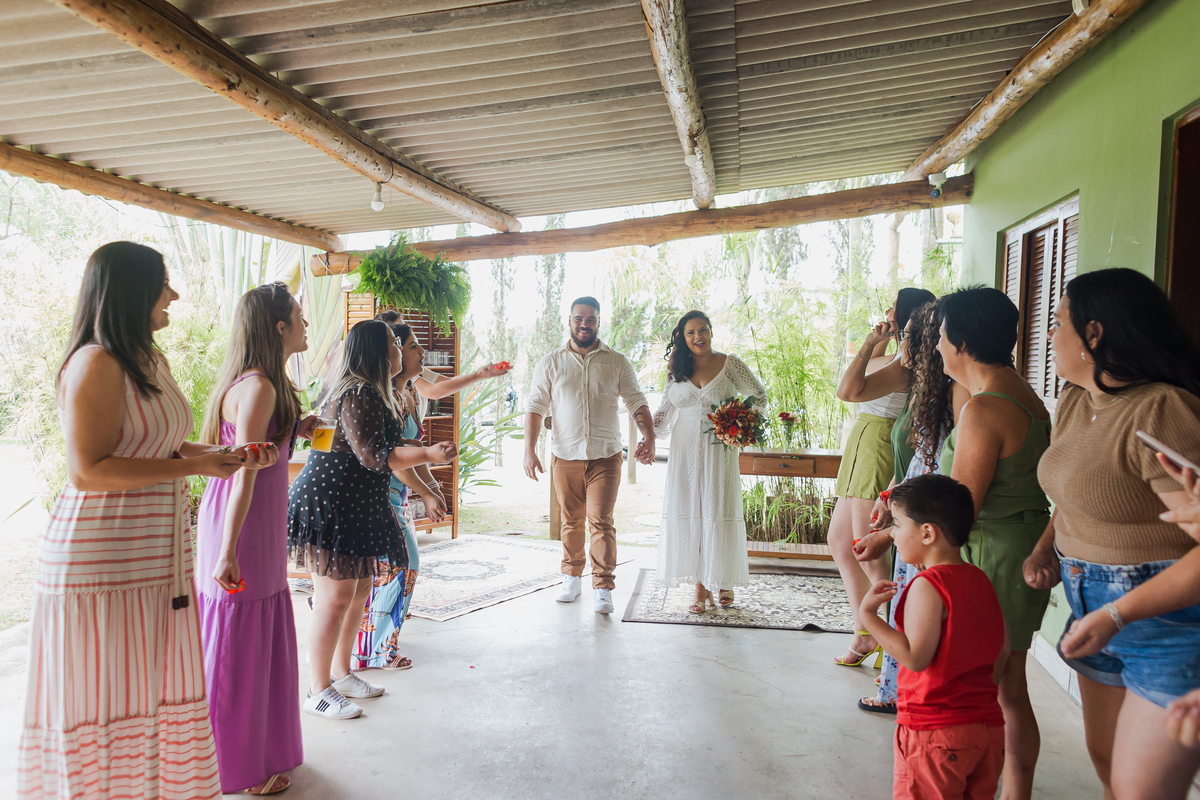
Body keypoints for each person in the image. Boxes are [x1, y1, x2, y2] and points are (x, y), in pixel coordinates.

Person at [18, 242, 263, 799]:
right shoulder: (96, 362)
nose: (173, 295)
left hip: (153, 560)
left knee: (151, 699)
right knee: (104, 703)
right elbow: (87, 470)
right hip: (99, 564)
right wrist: (199, 465)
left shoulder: (148, 360)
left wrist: (224, 457)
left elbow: (161, 444)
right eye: (163, 283)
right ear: (132, 290)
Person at [1021, 268, 1200, 799]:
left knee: (1139, 788)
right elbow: (1075, 495)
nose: (1049, 336)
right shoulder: (1077, 400)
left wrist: (1119, 611)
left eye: (1057, 323)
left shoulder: (1162, 412)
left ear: (1093, 334)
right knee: (1108, 766)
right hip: (1089, 603)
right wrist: (1046, 546)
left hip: (1162, 615)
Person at [288, 320, 455, 720]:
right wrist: (428, 455)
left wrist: (420, 455)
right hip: (332, 504)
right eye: (395, 343)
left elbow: (336, 441)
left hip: (355, 502)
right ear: (380, 353)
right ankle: (317, 689)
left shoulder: (372, 392)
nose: (401, 348)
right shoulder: (358, 391)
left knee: (360, 588)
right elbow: (375, 456)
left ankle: (342, 673)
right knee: (334, 598)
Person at [195, 282, 312, 795]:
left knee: (247, 640)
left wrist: (300, 429)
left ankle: (248, 754)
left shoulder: (263, 384)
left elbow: (263, 452)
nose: (306, 324)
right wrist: (227, 551)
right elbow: (243, 470)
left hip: (252, 521)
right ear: (280, 327)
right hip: (240, 526)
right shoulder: (260, 386)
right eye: (299, 317)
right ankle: (239, 768)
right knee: (240, 646)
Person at [937, 286, 1052, 800]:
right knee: (1011, 688)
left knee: (976, 693)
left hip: (991, 558)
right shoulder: (1025, 394)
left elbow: (960, 508)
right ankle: (1015, 792)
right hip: (1022, 548)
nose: (936, 345)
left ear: (961, 342)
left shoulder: (984, 409)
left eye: (940, 336)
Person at [854, 298, 970, 713]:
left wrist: (893, 526)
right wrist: (891, 498)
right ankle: (897, 692)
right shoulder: (930, 387)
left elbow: (944, 467)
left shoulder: (957, 394)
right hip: (911, 509)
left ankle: (907, 695)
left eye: (917, 338)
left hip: (925, 520)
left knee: (919, 614)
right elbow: (922, 458)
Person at [860, 474, 1008, 800]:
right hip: (987, 730)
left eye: (897, 525)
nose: (893, 535)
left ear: (927, 533)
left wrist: (869, 617)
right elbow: (1003, 649)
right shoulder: (979, 579)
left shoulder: (929, 585)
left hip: (934, 733)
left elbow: (915, 656)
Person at [524, 296, 654, 614]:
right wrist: (528, 450)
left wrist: (649, 435)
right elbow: (535, 407)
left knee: (601, 521)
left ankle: (603, 587)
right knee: (571, 521)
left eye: (591, 319)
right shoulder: (551, 362)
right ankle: (571, 577)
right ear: (569, 321)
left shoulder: (617, 361)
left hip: (605, 456)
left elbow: (636, 399)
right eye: (579, 318)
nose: (585, 324)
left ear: (598, 322)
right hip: (565, 456)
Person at [830, 287, 935, 667]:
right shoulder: (894, 353)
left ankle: (891, 648)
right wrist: (876, 339)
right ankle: (865, 632)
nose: (887, 310)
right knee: (840, 542)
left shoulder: (908, 363)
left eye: (895, 306)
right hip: (861, 439)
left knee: (869, 553)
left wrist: (877, 342)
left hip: (877, 442)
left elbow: (847, 389)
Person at [651, 310, 768, 611]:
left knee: (718, 509)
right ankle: (700, 589)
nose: (697, 337)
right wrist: (647, 436)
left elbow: (758, 394)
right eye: (690, 333)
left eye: (702, 330)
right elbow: (665, 409)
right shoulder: (676, 368)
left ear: (712, 332)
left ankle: (724, 580)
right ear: (683, 338)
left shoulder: (730, 364)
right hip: (684, 449)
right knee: (692, 511)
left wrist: (740, 420)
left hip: (720, 447)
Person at [352, 321, 448, 671]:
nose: (420, 352)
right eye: (409, 345)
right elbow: (389, 457)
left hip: (398, 496)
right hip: (379, 496)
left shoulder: (402, 394)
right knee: (400, 566)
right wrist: (427, 490)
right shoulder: (372, 396)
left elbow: (413, 447)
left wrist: (431, 489)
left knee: (395, 568)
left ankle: (377, 646)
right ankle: (373, 650)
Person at [376, 309, 511, 404]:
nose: (407, 331)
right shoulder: (401, 374)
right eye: (399, 330)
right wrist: (477, 376)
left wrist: (480, 374)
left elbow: (447, 382)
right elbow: (434, 392)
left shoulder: (416, 371)